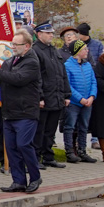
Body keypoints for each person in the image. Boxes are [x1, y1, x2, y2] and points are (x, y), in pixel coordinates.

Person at [0, 29, 43, 193]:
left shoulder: (32, 62)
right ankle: (19, 181)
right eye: (12, 43)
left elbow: (18, 79)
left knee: (23, 144)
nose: (13, 47)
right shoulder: (9, 61)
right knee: (12, 148)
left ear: (27, 46)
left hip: (26, 112)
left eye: (16, 44)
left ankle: (35, 177)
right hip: (9, 112)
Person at [31, 21, 71, 169]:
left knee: (50, 131)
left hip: (57, 97)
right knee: (39, 130)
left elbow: (62, 74)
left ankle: (48, 156)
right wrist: (40, 97)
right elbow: (37, 77)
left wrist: (67, 94)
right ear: (39, 34)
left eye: (52, 33)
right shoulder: (36, 51)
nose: (51, 35)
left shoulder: (54, 51)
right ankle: (35, 158)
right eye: (48, 33)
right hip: (44, 98)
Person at [62, 40, 98, 164]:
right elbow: (68, 85)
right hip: (74, 103)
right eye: (84, 49)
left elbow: (93, 81)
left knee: (84, 127)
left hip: (87, 102)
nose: (87, 51)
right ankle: (70, 152)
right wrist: (80, 99)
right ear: (77, 51)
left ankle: (82, 150)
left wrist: (92, 96)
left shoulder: (87, 65)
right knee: (70, 127)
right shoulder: (67, 65)